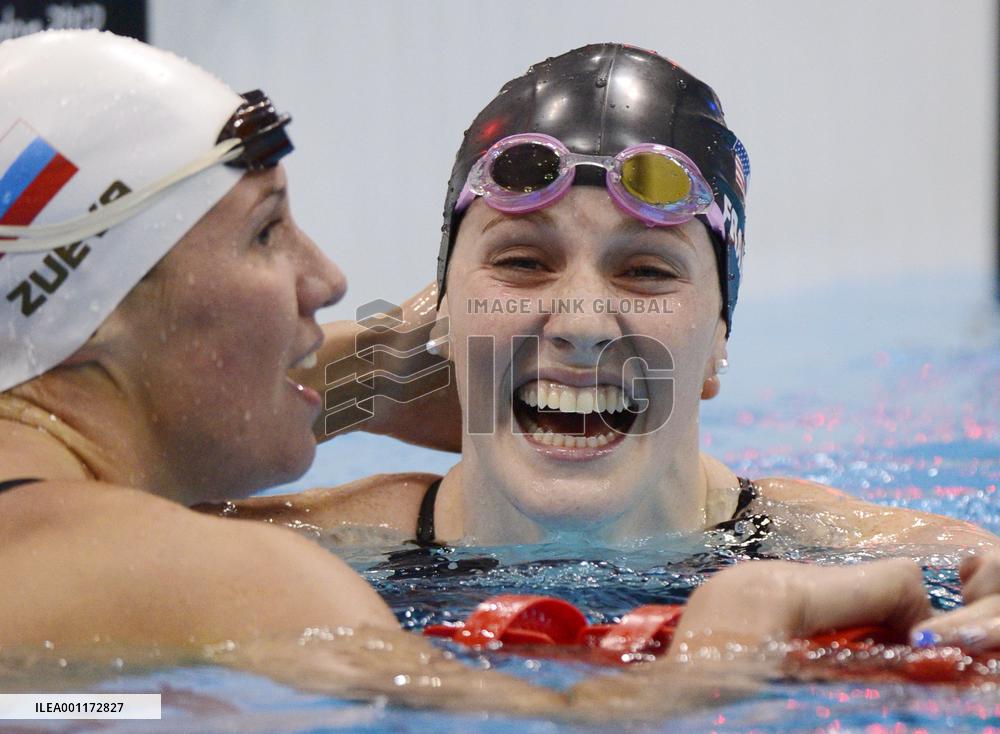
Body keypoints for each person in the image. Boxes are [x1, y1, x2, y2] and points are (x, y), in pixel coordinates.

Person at [0, 32, 993, 717]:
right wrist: (729, 644)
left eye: (646, 271)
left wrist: (367, 376)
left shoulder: (872, 539)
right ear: (449, 307)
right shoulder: (254, 569)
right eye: (518, 263)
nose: (579, 321)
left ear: (721, 340)